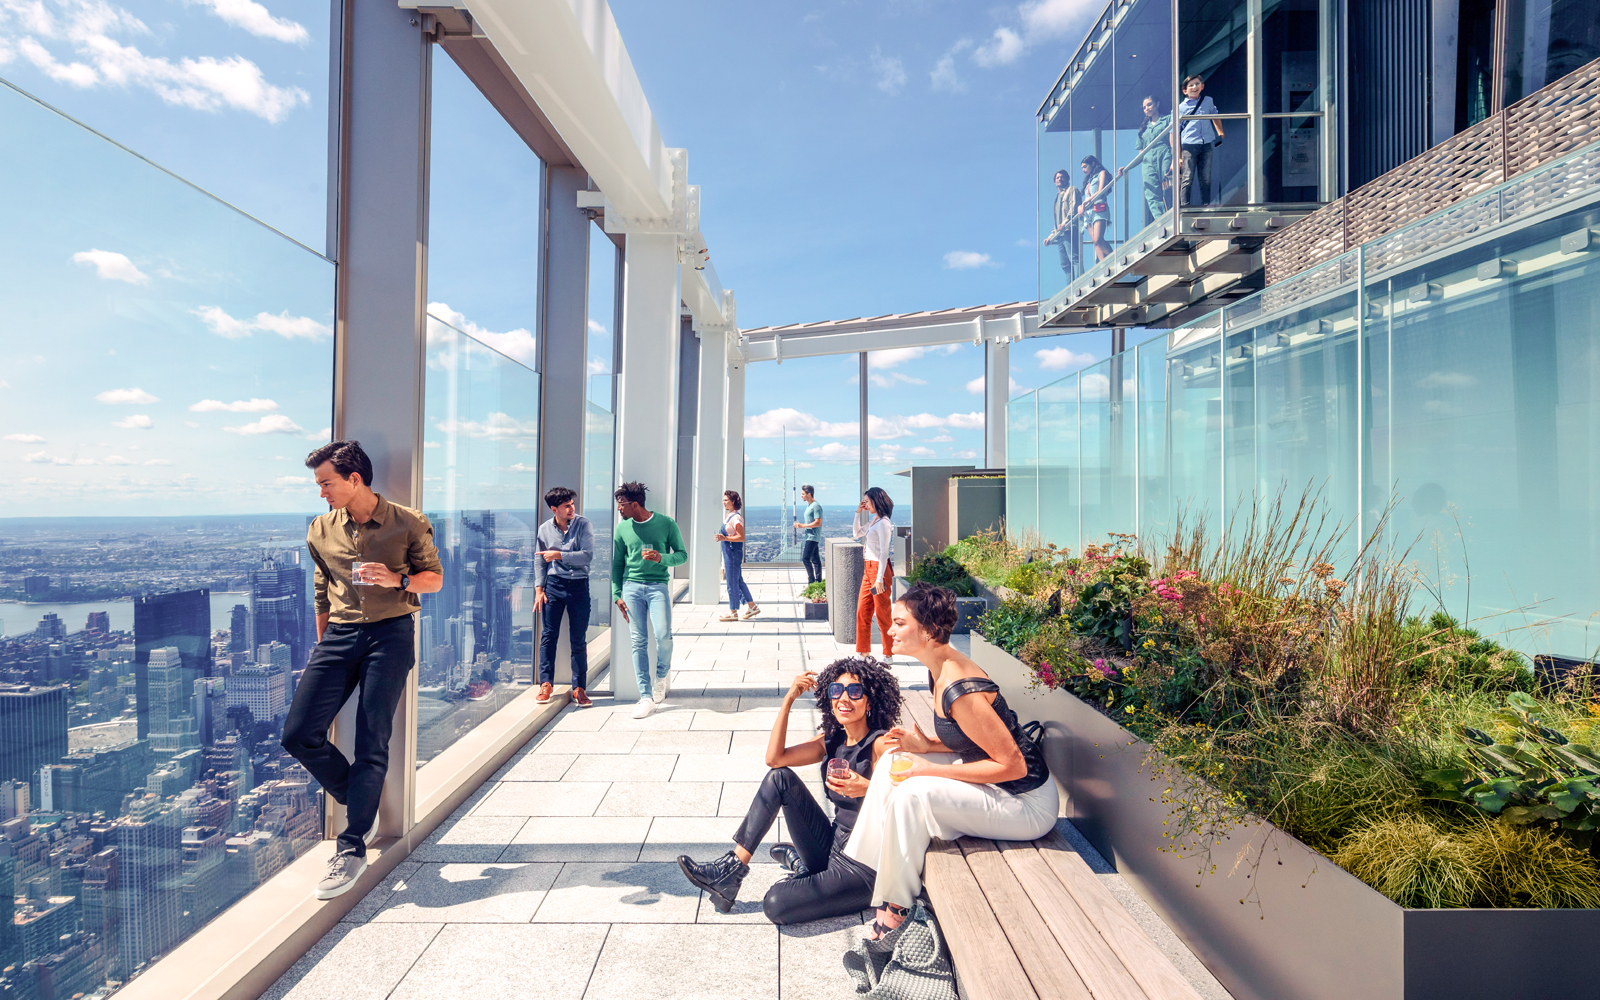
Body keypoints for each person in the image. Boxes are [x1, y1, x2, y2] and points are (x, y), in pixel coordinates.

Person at [843, 583, 1058, 939]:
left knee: (914, 792)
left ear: (927, 631)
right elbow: (974, 737)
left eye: (898, 623)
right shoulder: (938, 669)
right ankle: (867, 869)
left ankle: (895, 908)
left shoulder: (960, 687)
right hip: (997, 786)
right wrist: (926, 745)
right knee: (895, 760)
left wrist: (930, 767)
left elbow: (1014, 765)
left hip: (1026, 804)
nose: (889, 629)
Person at [284, 440, 444, 900]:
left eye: (326, 483)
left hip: (390, 634)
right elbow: (322, 588)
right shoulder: (320, 528)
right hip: (337, 636)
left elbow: (433, 577)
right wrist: (324, 644)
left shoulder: (406, 522)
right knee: (298, 735)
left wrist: (397, 580)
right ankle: (360, 802)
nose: (321, 492)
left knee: (373, 737)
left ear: (354, 479)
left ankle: (352, 846)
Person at [676, 656, 902, 922]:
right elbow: (775, 759)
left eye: (854, 691)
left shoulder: (880, 744)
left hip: (862, 868)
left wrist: (868, 787)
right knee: (779, 778)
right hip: (834, 844)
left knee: (775, 903)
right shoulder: (833, 740)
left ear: (869, 700)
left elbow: (912, 793)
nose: (844, 698)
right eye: (836, 690)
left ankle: (802, 867)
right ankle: (732, 869)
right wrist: (788, 701)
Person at [611, 481, 687, 719]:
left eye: (621, 504)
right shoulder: (622, 529)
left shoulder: (666, 523)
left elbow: (682, 555)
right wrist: (616, 594)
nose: (619, 509)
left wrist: (660, 558)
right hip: (631, 587)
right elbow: (617, 564)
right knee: (638, 640)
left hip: (657, 587)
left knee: (663, 635)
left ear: (635, 504)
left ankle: (661, 678)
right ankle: (645, 696)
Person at [533, 485, 594, 707]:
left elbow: (586, 557)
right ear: (554, 509)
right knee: (548, 636)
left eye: (572, 504)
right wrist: (539, 590)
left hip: (579, 586)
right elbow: (539, 560)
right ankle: (546, 684)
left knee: (578, 639)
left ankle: (579, 688)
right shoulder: (544, 529)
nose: (572, 509)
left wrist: (559, 555)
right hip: (554, 587)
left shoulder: (583, 524)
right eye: (566, 506)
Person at [852, 487, 896, 658]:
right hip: (868, 570)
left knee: (882, 614)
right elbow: (856, 534)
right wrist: (857, 513)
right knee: (863, 611)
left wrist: (879, 580)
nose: (866, 505)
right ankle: (862, 651)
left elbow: (885, 552)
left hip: (879, 571)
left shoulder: (884, 523)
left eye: (868, 502)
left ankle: (889, 653)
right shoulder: (874, 521)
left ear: (877, 501)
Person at [1178, 74, 1224, 206]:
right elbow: (1174, 133)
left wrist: (1220, 131)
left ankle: (1206, 204)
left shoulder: (1208, 101)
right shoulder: (1180, 108)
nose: (1194, 87)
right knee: (1187, 178)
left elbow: (1215, 115)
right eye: (1190, 85)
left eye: (1197, 84)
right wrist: (1179, 155)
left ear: (1202, 86)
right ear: (1185, 91)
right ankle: (1185, 206)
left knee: (1206, 178)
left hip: (1206, 143)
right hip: (1189, 145)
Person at [715, 489, 760, 622]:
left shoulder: (736, 518)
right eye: (723, 500)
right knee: (738, 580)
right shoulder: (729, 516)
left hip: (733, 553)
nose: (724, 502)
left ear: (733, 501)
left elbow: (741, 537)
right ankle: (752, 606)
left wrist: (724, 538)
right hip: (730, 552)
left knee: (731, 582)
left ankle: (733, 611)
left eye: (726, 500)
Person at [1138, 95, 1174, 226]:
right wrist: (1127, 169)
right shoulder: (1143, 128)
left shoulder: (1167, 120)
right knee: (1151, 191)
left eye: (1149, 104)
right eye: (1144, 107)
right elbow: (1140, 153)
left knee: (1167, 188)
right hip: (1147, 162)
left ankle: (1171, 218)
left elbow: (1173, 141)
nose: (1146, 108)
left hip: (1164, 155)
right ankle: (1161, 221)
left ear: (1157, 104)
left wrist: (1175, 159)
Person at [1042, 168, 1081, 279]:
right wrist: (1050, 237)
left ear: (1067, 179)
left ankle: (1078, 284)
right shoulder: (1057, 198)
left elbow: (1073, 209)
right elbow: (1057, 222)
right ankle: (1070, 289)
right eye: (1057, 178)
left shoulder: (1072, 190)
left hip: (1069, 230)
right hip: (1060, 235)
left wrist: (1065, 223)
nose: (1060, 179)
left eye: (1062, 177)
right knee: (1065, 264)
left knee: (1074, 258)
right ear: (1055, 182)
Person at [1079, 154, 1114, 262]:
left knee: (1099, 239)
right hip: (1088, 212)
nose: (1083, 170)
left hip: (1099, 208)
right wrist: (1083, 205)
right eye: (1082, 168)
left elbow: (1100, 191)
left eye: (1085, 166)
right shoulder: (1088, 180)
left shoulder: (1102, 173)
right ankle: (1103, 264)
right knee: (1095, 241)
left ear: (1093, 164)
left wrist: (1085, 202)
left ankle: (1114, 259)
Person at [795, 485, 824, 585]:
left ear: (809, 494)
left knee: (806, 559)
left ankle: (811, 581)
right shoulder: (809, 506)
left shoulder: (816, 506)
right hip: (810, 536)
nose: (801, 496)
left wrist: (802, 526)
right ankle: (818, 582)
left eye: (803, 494)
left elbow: (818, 522)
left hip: (813, 537)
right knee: (815, 560)